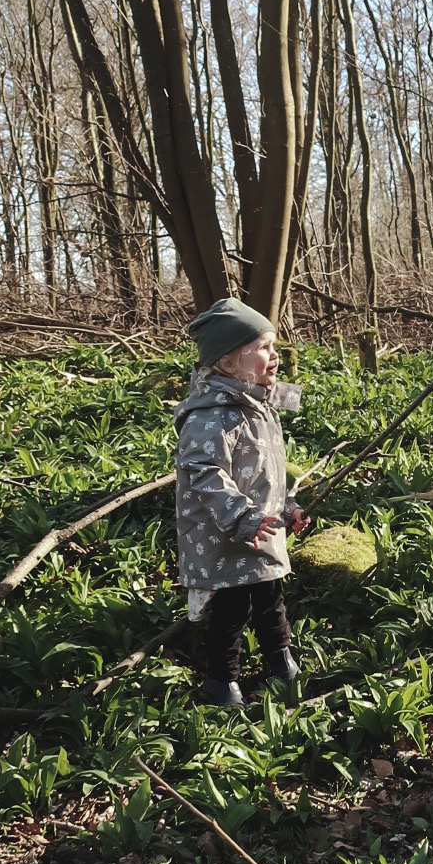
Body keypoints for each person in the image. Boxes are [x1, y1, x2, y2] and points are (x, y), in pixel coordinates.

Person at [174, 297, 308, 708]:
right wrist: (243, 517)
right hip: (223, 534)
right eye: (264, 349)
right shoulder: (210, 416)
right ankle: (221, 681)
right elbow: (204, 474)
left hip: (260, 528)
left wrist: (286, 508)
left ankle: (281, 664)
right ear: (229, 363)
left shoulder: (260, 407)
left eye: (274, 347)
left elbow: (267, 472)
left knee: (271, 599)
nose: (275, 357)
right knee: (232, 609)